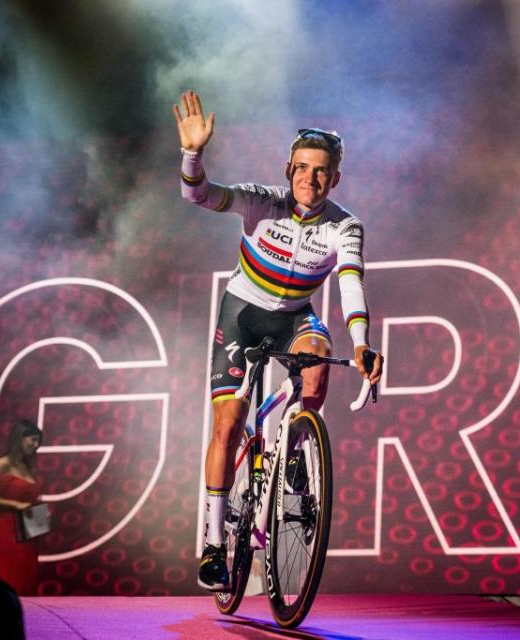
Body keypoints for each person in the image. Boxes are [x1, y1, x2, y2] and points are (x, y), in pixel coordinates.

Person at [173, 90, 383, 590]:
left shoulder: (345, 227)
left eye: (322, 172)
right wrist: (193, 154)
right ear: (289, 168)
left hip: (293, 318)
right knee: (227, 423)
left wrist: (361, 343)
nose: (311, 179)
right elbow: (199, 195)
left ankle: (295, 456)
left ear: (335, 178)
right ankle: (212, 545)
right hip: (243, 314)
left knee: (317, 363)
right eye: (303, 168)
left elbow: (352, 284)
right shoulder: (262, 202)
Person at [0, 419, 45, 596]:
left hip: (29, 528)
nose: (36, 445)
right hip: (6, 529)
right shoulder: (4, 464)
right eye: (32, 439)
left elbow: (32, 499)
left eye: (37, 441)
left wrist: (41, 517)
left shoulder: (28, 467)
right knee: (10, 575)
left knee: (28, 575)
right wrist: (15, 504)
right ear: (19, 438)